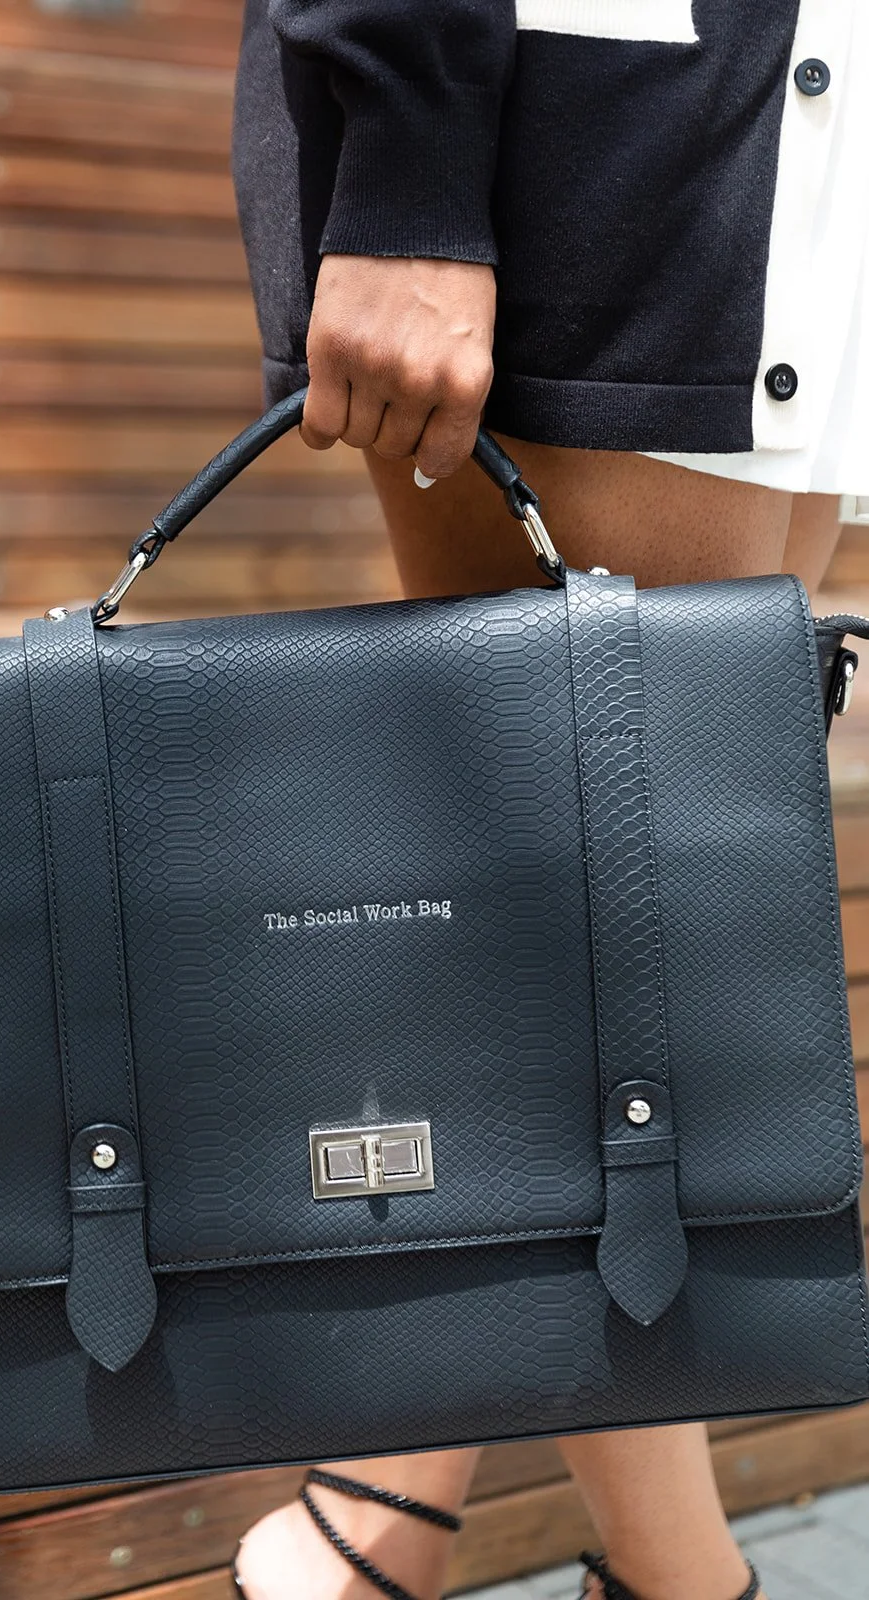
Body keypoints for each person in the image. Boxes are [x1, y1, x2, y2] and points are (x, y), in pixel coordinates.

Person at [228, 2, 868, 1596]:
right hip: (598, 132)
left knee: (643, 915)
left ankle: (393, 1518)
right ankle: (623, 1563)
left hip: (793, 158)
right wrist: (408, 180)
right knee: (596, 907)